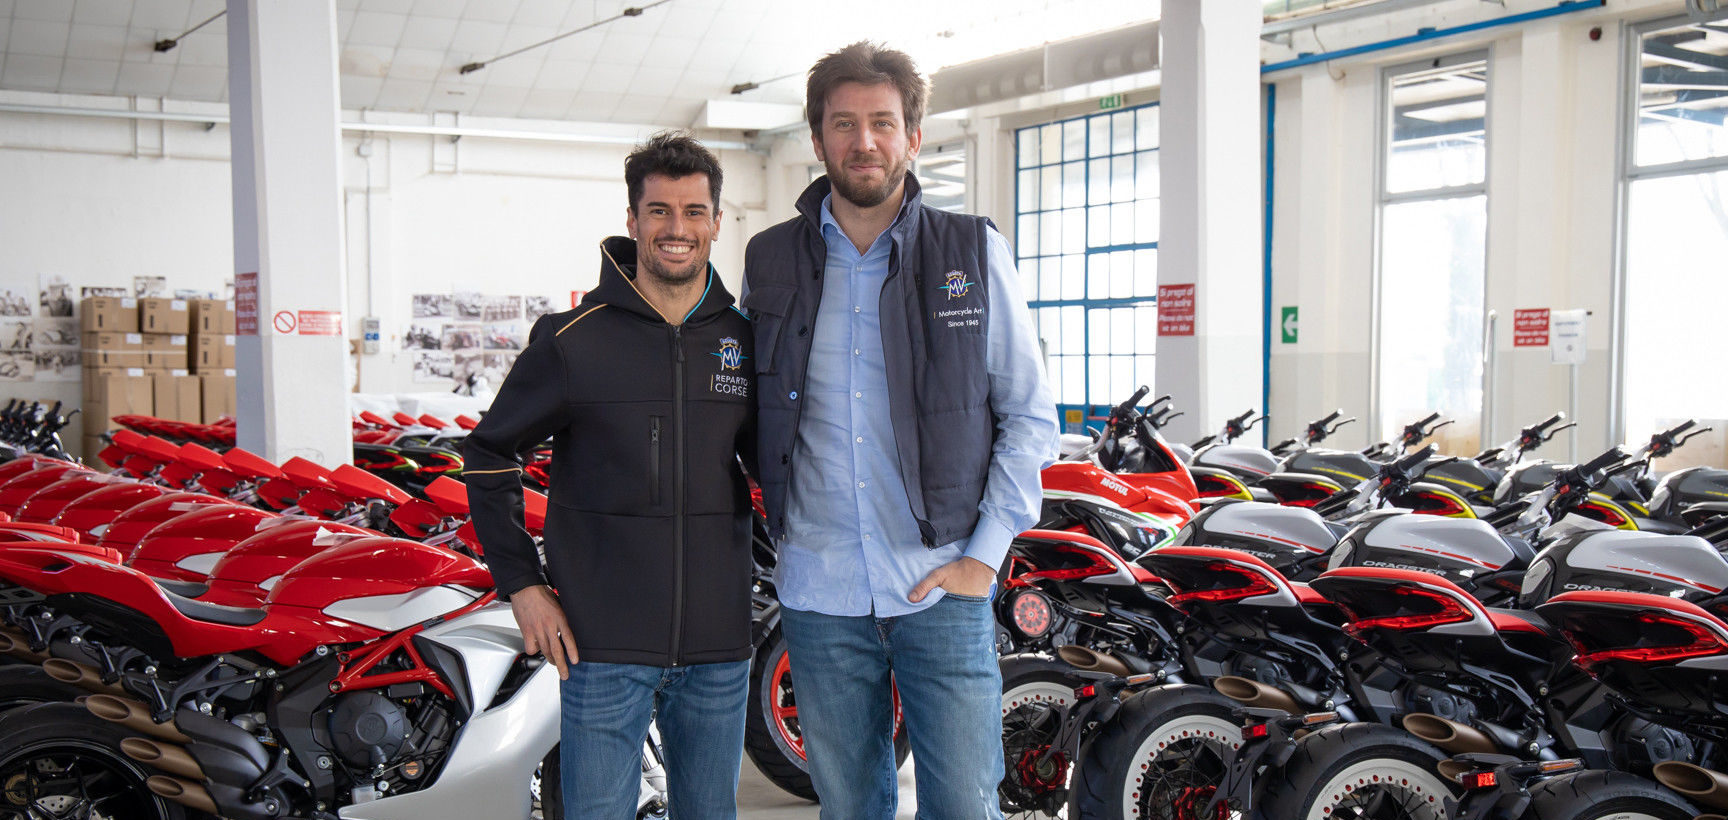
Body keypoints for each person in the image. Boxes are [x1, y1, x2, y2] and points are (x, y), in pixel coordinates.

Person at [742, 41, 1058, 818]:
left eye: (882, 122)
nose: (864, 141)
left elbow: (1028, 415)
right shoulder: (768, 259)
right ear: (817, 140)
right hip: (820, 593)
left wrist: (983, 560)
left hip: (941, 587)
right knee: (849, 808)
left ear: (913, 136)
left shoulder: (972, 251)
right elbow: (746, 406)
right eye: (843, 124)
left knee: (962, 805)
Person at [465, 131, 757, 819]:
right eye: (659, 211)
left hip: (718, 645)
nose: (676, 228)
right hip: (600, 644)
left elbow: (778, 462)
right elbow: (488, 454)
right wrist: (523, 584)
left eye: (693, 211)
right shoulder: (572, 340)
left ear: (717, 222)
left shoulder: (742, 342)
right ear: (632, 221)